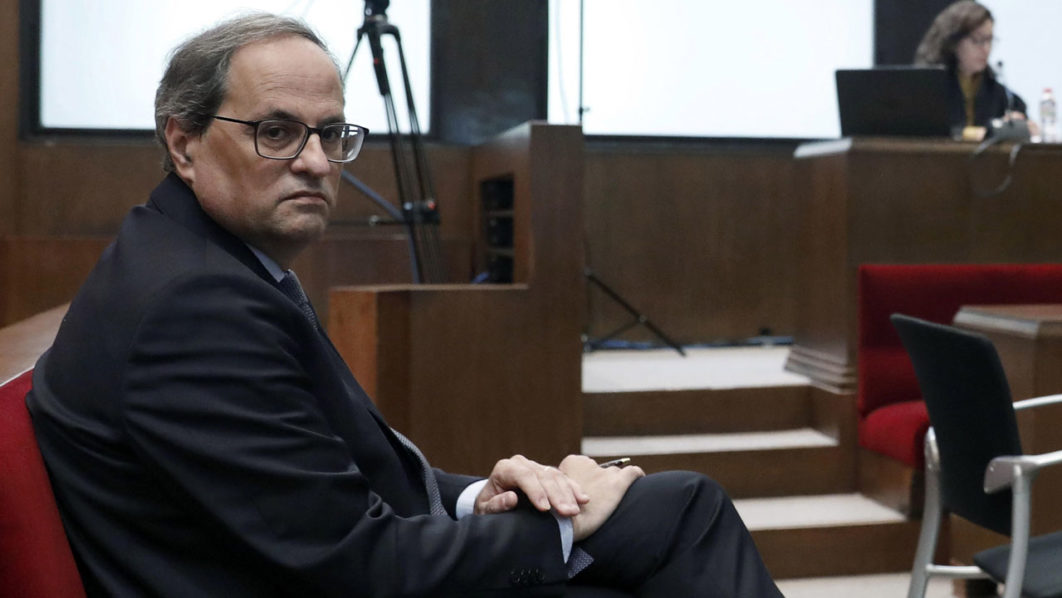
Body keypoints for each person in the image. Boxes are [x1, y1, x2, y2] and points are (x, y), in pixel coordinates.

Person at [26, 12, 782, 597]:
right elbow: (355, 564)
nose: (316, 162)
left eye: (331, 134)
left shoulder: (193, 259)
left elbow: (328, 488)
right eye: (276, 132)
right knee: (680, 516)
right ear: (183, 143)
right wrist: (562, 526)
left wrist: (477, 498)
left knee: (672, 512)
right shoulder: (192, 308)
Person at [914, 0, 1033, 139]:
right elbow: (925, 130)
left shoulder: (995, 90)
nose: (986, 49)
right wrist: (972, 134)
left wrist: (1019, 126)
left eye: (989, 40)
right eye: (978, 40)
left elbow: (1019, 116)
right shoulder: (930, 87)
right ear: (954, 42)